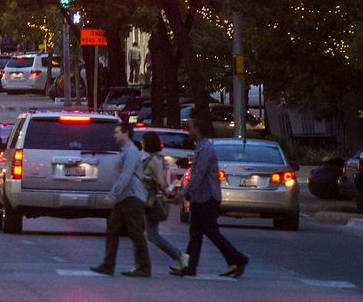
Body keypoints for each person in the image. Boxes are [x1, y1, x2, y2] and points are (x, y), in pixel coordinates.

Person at [176, 117, 248, 279]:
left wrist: (184, 191)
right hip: (200, 198)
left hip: (207, 198)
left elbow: (199, 174)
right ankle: (190, 267)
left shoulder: (205, 149)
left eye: (191, 128)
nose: (189, 131)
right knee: (196, 234)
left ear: (198, 130)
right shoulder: (201, 148)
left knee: (210, 232)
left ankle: (239, 258)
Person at [89, 121, 151, 277]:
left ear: (126, 133)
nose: (114, 135)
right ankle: (108, 265)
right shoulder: (125, 151)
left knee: (135, 232)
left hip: (132, 197)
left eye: (117, 132)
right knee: (112, 231)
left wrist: (112, 195)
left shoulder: (131, 151)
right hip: (124, 198)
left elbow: (126, 176)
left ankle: (144, 267)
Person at [138, 132, 188, 272]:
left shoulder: (155, 160)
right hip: (144, 199)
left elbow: (161, 180)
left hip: (151, 201)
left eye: (143, 141)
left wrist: (169, 194)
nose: (141, 143)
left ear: (148, 142)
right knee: (146, 233)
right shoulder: (148, 158)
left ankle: (180, 256)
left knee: (152, 235)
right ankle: (142, 264)